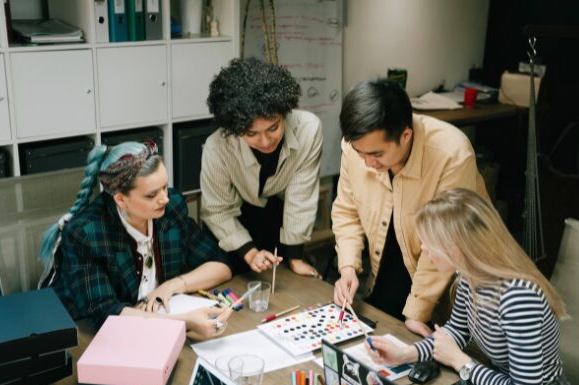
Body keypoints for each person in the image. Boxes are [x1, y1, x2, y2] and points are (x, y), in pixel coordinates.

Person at [366, 188, 579, 385]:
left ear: (455, 249)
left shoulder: (518, 297)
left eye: (428, 242)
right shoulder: (469, 276)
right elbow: (457, 331)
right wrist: (406, 354)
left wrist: (460, 361)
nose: (423, 248)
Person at [332, 78, 488, 337]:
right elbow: (347, 211)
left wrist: (417, 311)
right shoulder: (355, 148)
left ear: (406, 136)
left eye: (377, 154)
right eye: (360, 153)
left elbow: (445, 241)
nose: (367, 162)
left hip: (446, 283)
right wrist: (347, 267)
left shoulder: (452, 154)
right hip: (386, 268)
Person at [40, 142, 233, 339]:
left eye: (165, 187)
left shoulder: (170, 209)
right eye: (152, 195)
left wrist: (171, 286)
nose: (165, 198)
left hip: (154, 328)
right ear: (120, 200)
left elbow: (220, 265)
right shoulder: (86, 233)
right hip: (88, 336)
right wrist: (185, 322)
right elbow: (106, 314)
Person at [201, 57, 323, 278]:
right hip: (233, 221)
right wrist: (250, 254)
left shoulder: (308, 129)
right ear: (235, 128)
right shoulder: (217, 147)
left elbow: (300, 197)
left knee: (281, 280)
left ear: (284, 113)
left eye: (273, 128)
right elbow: (218, 210)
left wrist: (295, 258)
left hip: (278, 214)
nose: (265, 142)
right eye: (251, 133)